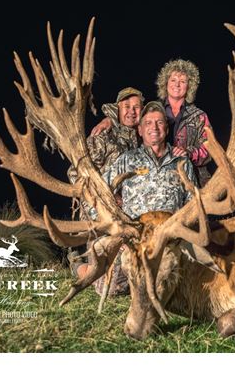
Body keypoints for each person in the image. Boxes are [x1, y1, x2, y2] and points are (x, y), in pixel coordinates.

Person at [73, 101, 197, 286]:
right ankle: (78, 266)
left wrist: (183, 235)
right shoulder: (127, 160)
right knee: (112, 286)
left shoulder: (182, 162)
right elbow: (98, 196)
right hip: (134, 242)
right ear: (140, 130)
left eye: (159, 122)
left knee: (186, 282)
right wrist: (117, 235)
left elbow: (194, 205)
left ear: (166, 128)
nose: (154, 127)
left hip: (170, 240)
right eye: (148, 123)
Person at [67, 87, 144, 296]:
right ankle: (80, 266)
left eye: (137, 107)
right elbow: (75, 173)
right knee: (113, 285)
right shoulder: (103, 136)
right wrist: (106, 198)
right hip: (101, 214)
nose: (131, 111)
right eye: (126, 106)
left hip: (128, 215)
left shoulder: (143, 138)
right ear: (117, 109)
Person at [91, 59, 212, 186]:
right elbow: (131, 118)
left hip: (192, 181)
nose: (177, 85)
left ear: (189, 86)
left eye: (183, 81)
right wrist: (110, 119)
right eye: (173, 80)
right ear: (165, 82)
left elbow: (210, 150)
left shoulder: (199, 117)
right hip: (154, 180)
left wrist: (189, 153)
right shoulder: (153, 109)